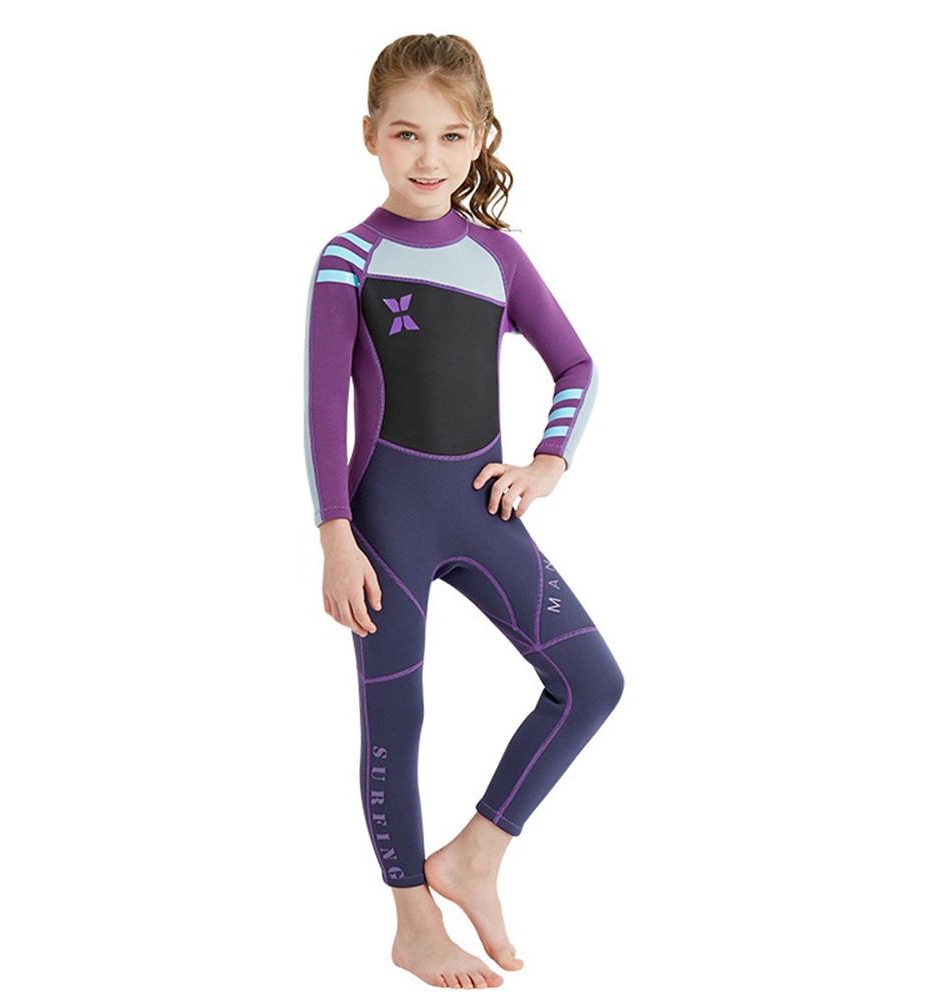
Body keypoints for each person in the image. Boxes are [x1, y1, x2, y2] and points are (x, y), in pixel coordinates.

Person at [303, 33, 625, 990]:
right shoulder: (348, 257)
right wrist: (334, 536)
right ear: (370, 134)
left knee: (592, 683)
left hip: (484, 514)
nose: (428, 158)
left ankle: (476, 854)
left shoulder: (496, 257)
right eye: (406, 134)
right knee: (397, 718)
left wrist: (547, 464)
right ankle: (413, 923)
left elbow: (577, 365)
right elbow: (321, 407)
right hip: (385, 526)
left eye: (451, 136)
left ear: (480, 138)